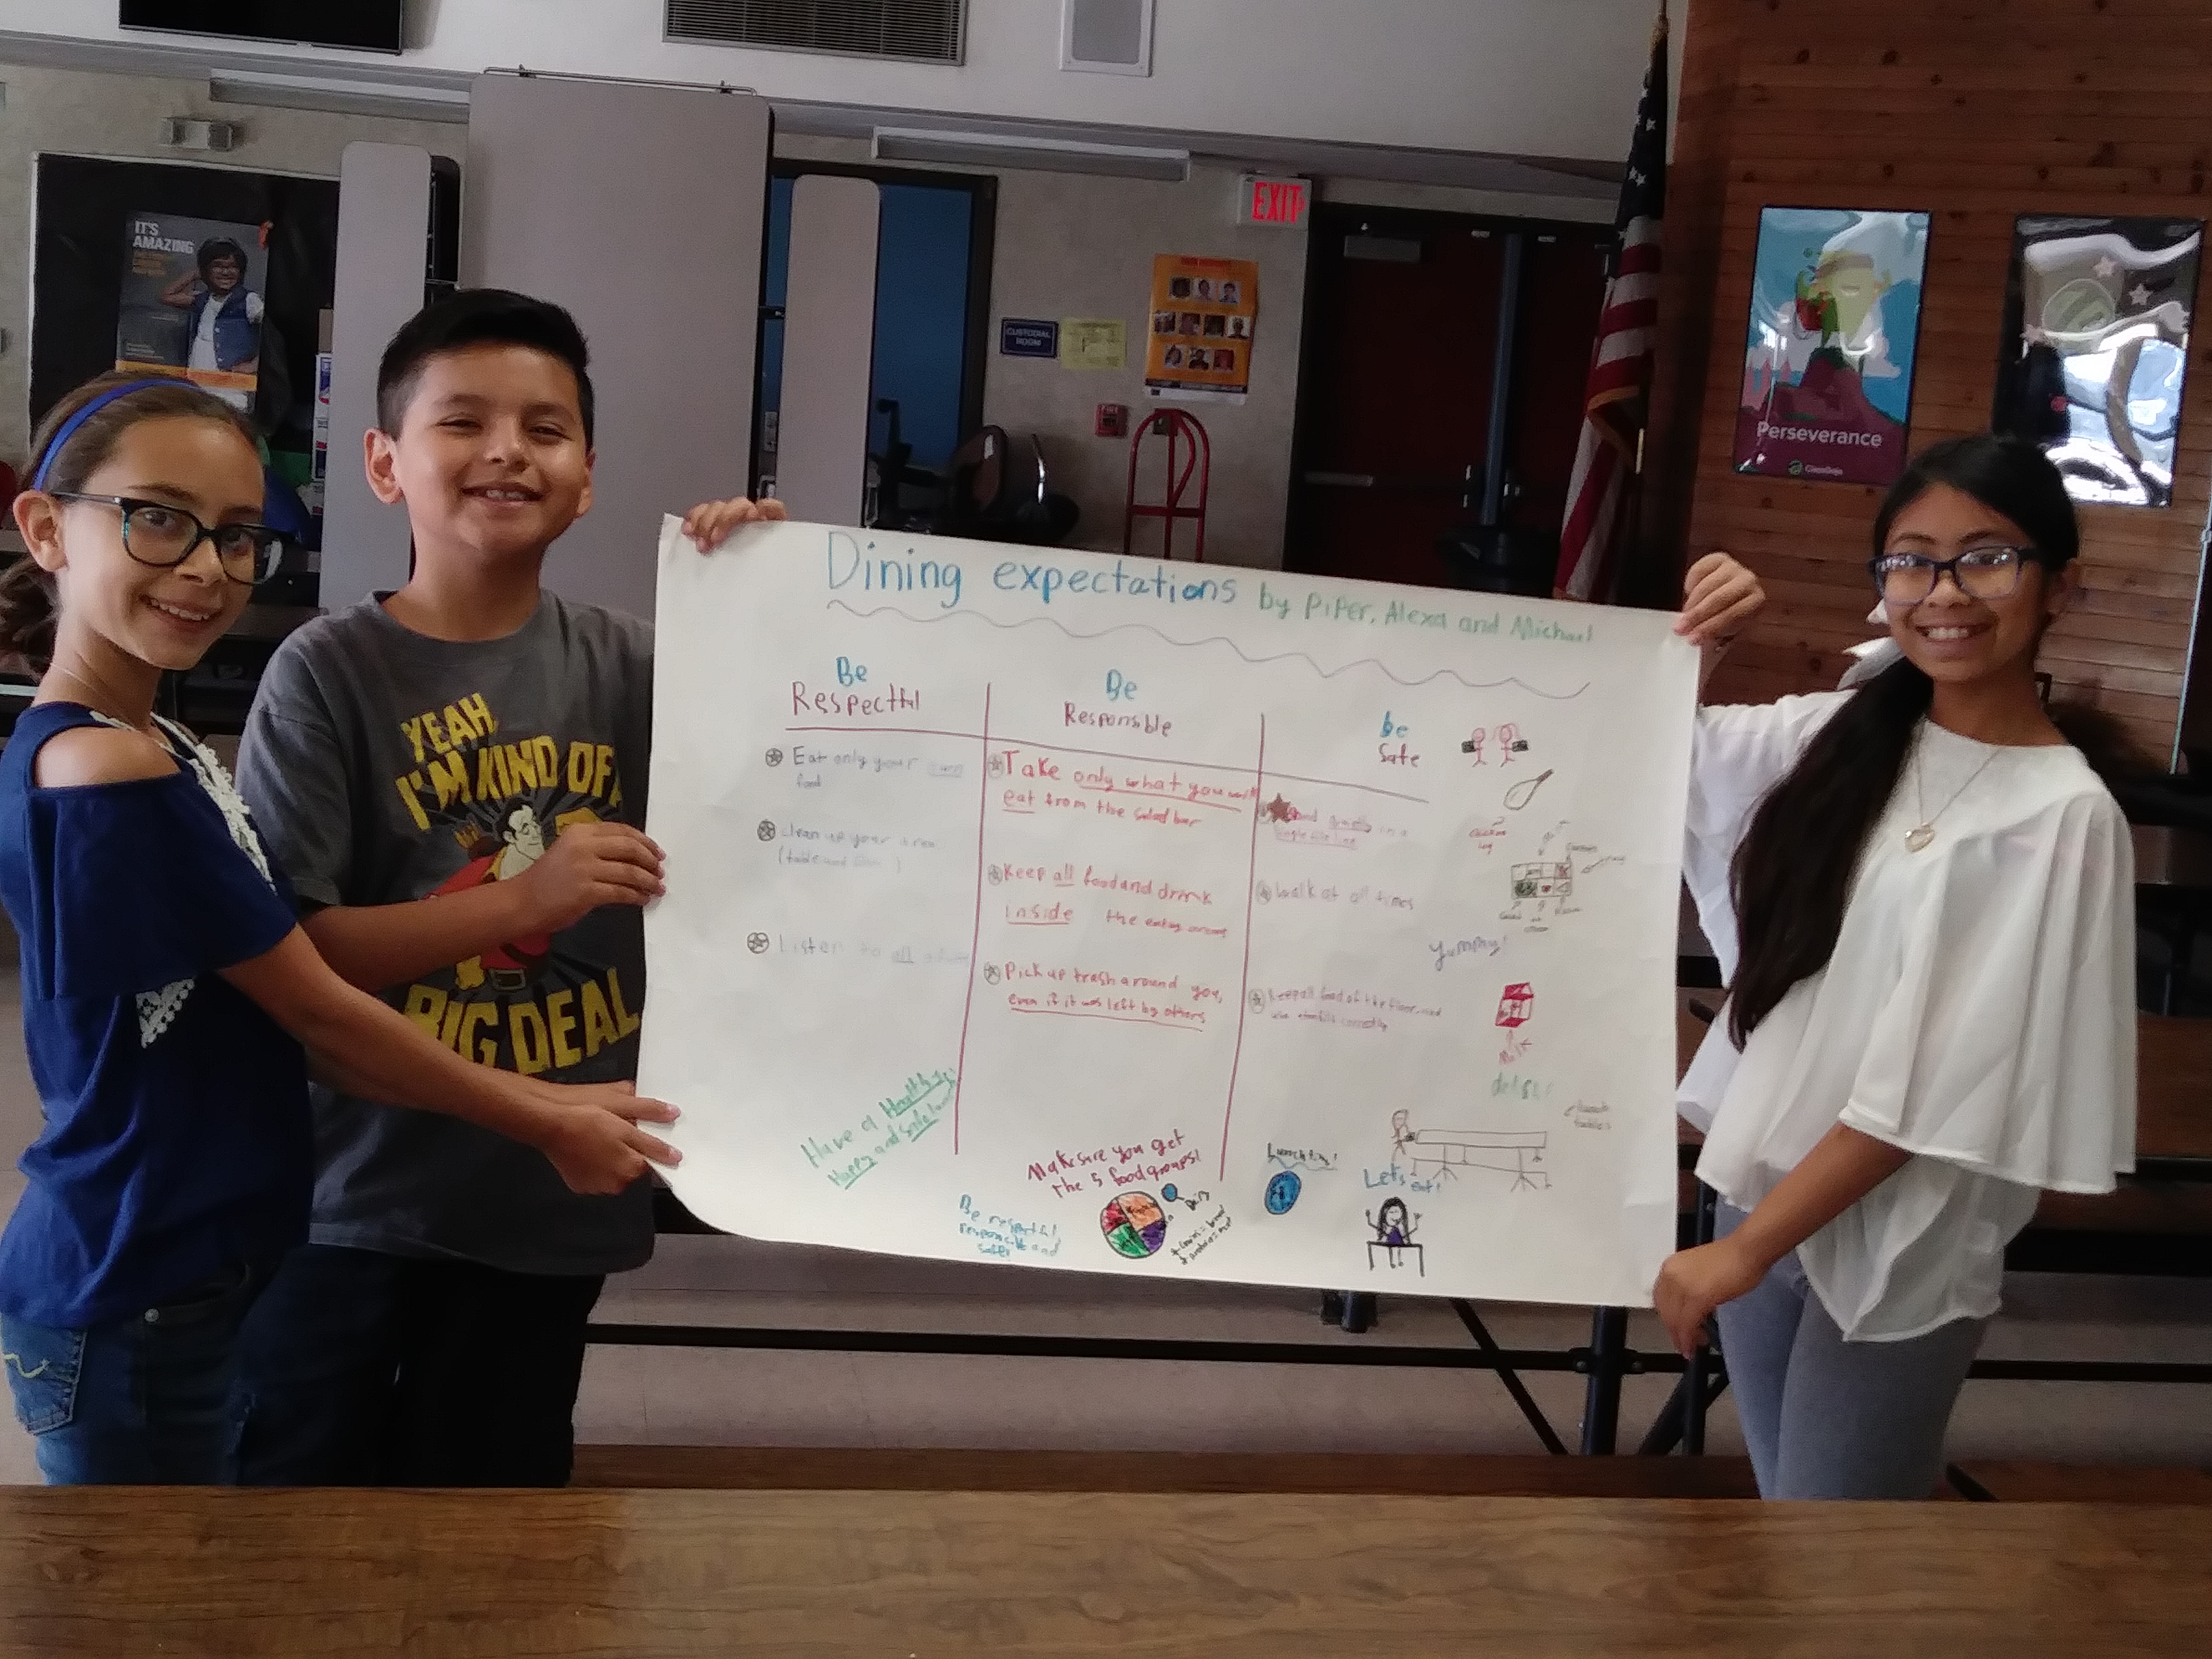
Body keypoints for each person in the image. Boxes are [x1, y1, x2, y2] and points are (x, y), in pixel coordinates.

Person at [0, 372, 682, 1485]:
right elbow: (319, 1014)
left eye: (236, 536)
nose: (205, 568)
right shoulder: (108, 768)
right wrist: (547, 1116)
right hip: (141, 1275)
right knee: (167, 1576)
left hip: (184, 1256)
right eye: (157, 519)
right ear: (45, 529)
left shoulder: (152, 744)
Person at [227, 290, 781, 1488]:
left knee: (493, 1514)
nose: (507, 452)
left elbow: (798, 779)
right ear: (385, 463)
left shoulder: (641, 667)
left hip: (550, 1193)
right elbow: (293, 958)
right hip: (351, 1193)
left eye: (546, 428)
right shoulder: (326, 674)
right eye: (462, 421)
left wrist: (766, 596)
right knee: (291, 1503)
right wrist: (524, 903)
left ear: (587, 479)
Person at [1658, 433, 2134, 1500]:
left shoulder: (2061, 815)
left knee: (1842, 1540)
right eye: (1914, 561)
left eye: (1987, 558)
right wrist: (1704, 644)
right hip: (1761, 1184)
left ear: (2059, 586)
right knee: (1793, 1515)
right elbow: (1648, 759)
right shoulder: (1847, 733)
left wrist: (1745, 1251)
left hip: (1899, 1232)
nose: (1945, 592)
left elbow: (1932, 1085)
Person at [160, 239, 264, 381]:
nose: (225, 272)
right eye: (218, 266)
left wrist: (254, 365)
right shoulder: (203, 300)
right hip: (196, 378)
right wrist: (194, 275)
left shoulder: (249, 300)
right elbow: (167, 296)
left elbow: (273, 333)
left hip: (229, 384)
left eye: (233, 267)